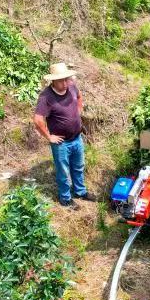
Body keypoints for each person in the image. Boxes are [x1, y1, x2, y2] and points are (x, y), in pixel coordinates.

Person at [33, 63, 96, 207]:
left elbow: (79, 96)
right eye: (61, 80)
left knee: (79, 166)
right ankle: (65, 199)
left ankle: (80, 192)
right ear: (53, 81)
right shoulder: (46, 97)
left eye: (66, 79)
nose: (65, 82)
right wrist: (49, 137)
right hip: (61, 143)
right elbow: (37, 119)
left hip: (77, 138)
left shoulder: (72, 86)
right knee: (63, 172)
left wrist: (79, 109)